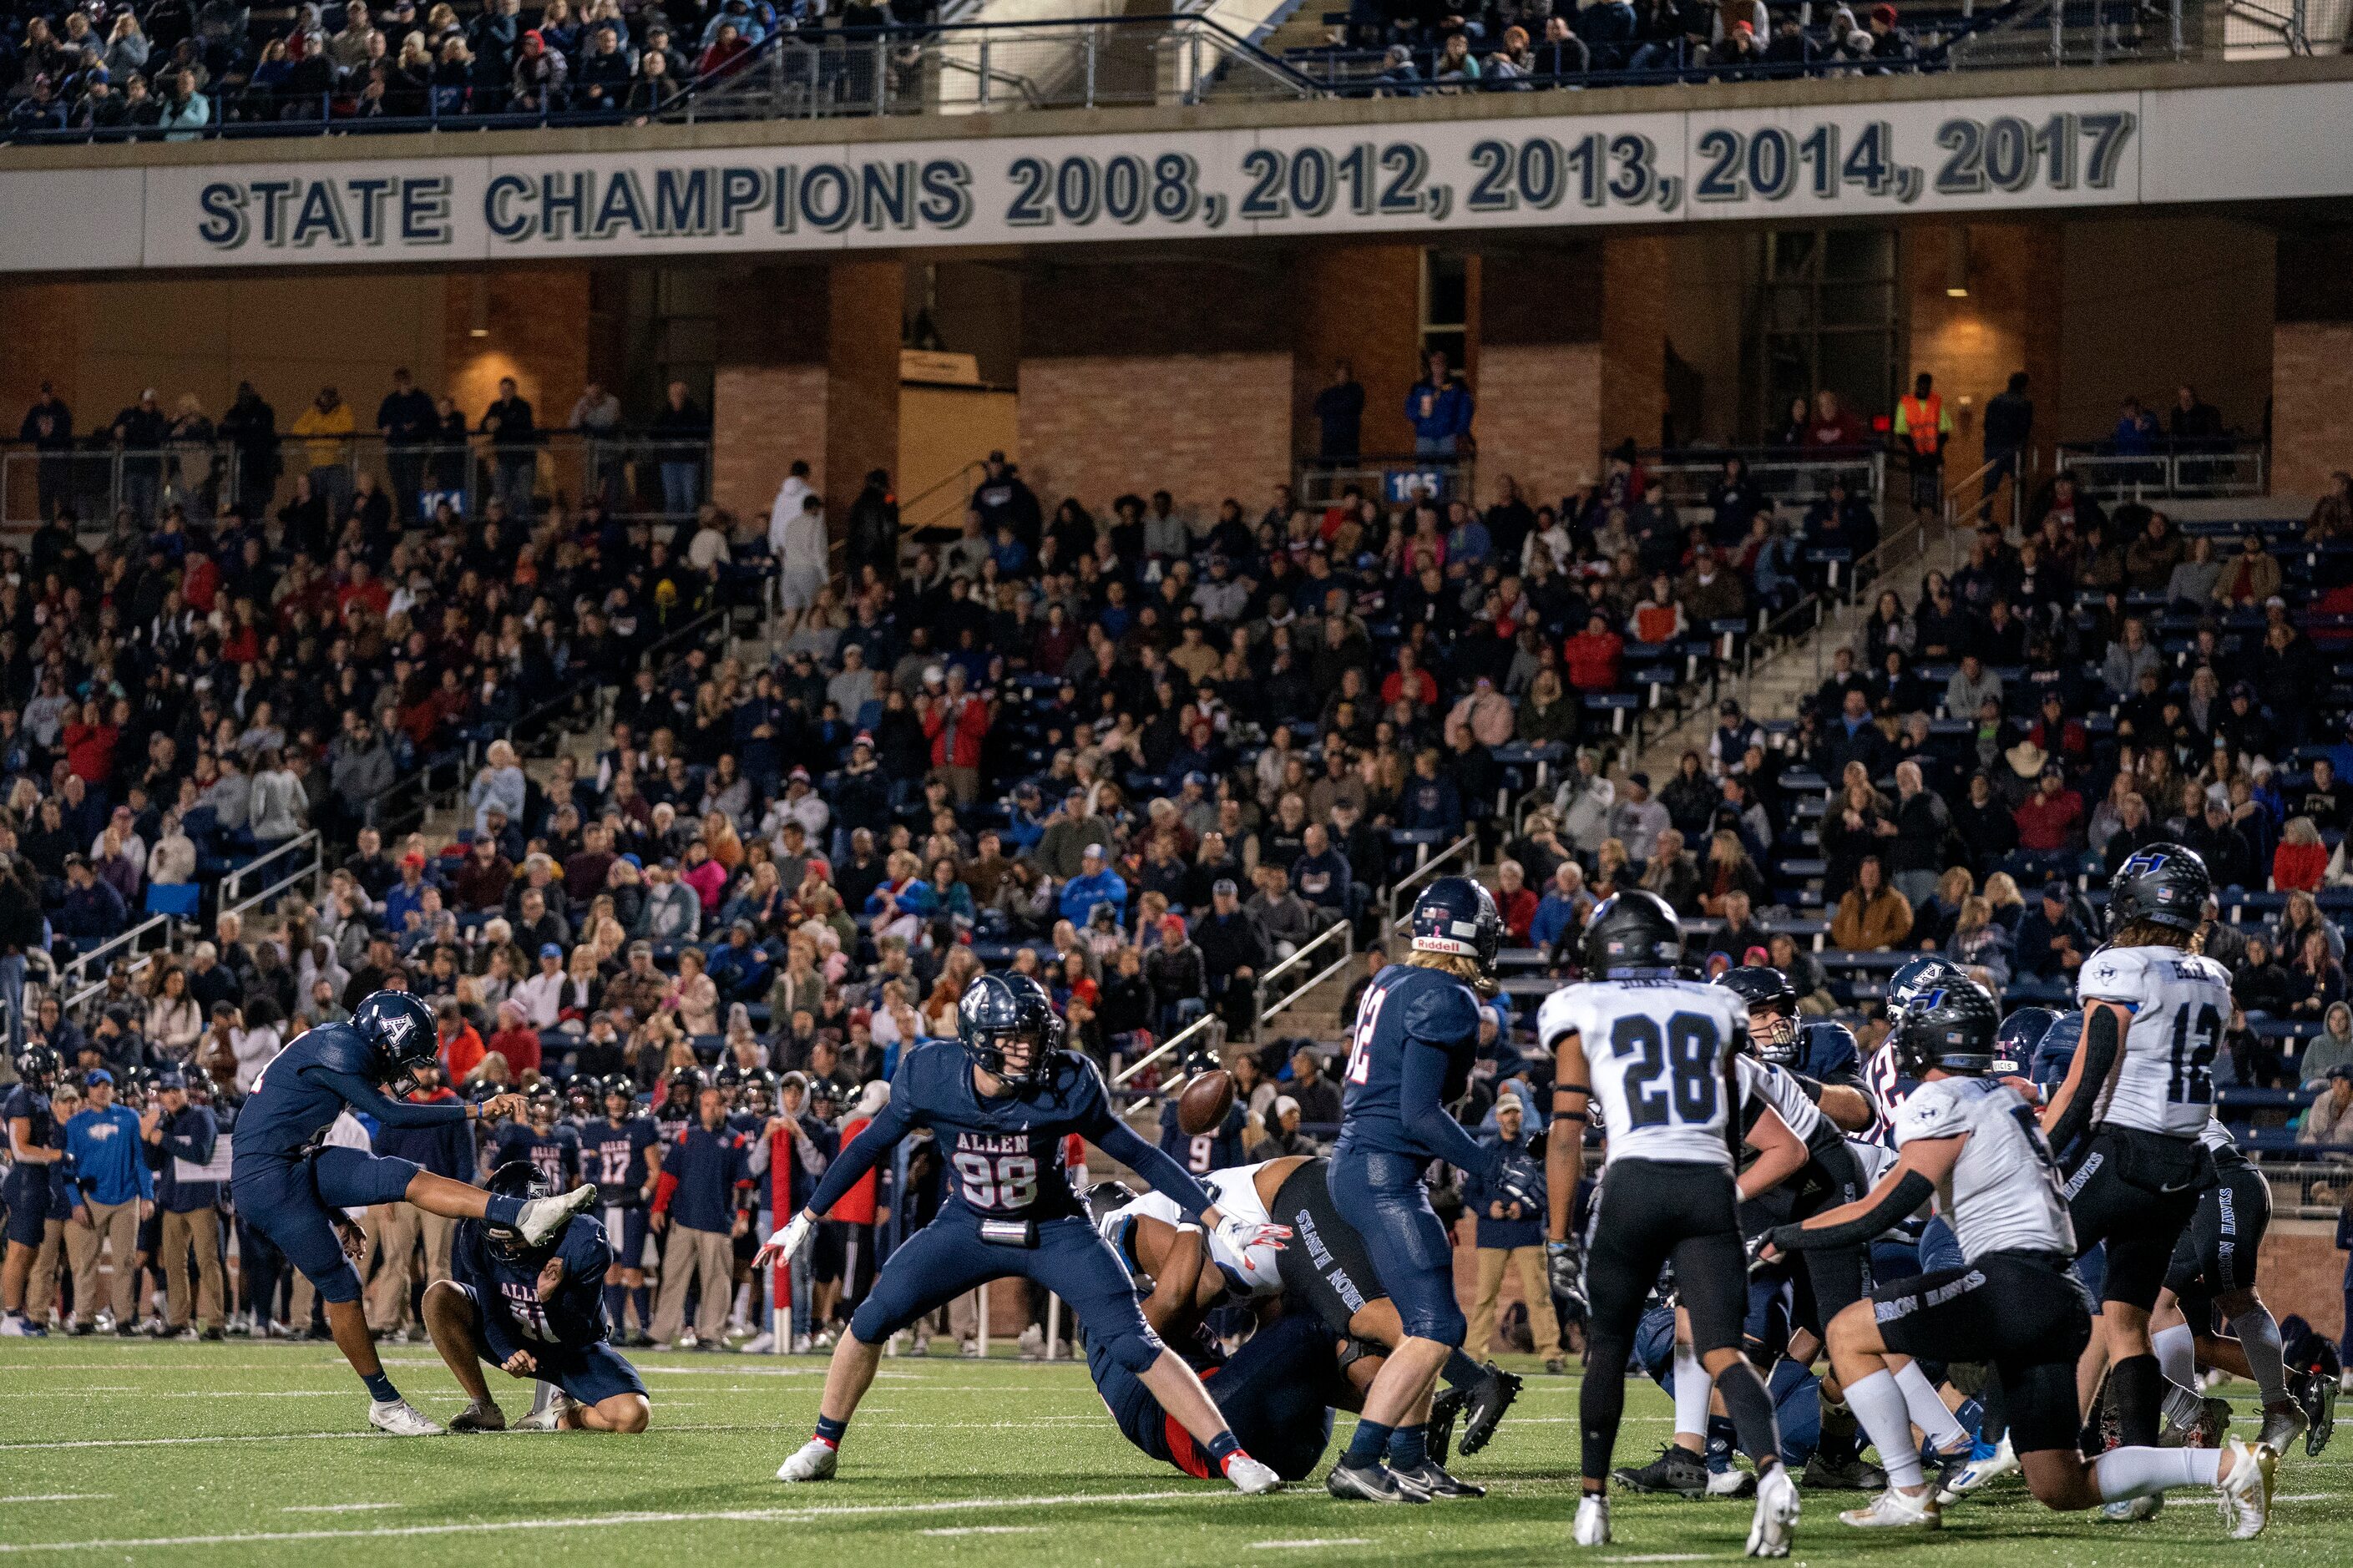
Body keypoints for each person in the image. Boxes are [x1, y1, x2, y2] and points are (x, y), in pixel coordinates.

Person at [1763, 979, 2273, 1539]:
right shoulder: (2008, 1098)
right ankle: (2231, 1466)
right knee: (2058, 1483)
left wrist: (1790, 1234)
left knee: (1848, 1331)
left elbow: (1884, 1210)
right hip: (2063, 1297)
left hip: (2010, 1284)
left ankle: (1909, 1491)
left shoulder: (1940, 1101)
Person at [759, 973, 1288, 1495]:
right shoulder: (931, 1075)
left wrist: (1218, 1220)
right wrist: (806, 1219)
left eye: (1034, 1035)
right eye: (1014, 1038)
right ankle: (824, 1444)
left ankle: (1232, 1455)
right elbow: (868, 1145)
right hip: (967, 1223)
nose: (1028, 1049)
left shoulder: (1066, 1081)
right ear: (979, 1041)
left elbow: (1140, 1154)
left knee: (1134, 1341)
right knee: (871, 1318)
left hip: (1054, 1227)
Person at [1540, 890, 1804, 1555]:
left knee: (1607, 1345)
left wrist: (1557, 1234)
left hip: (1635, 1180)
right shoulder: (1716, 1005)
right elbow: (1729, 1109)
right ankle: (1772, 1477)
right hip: (1708, 1185)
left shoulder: (1583, 1005)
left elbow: (1567, 1133)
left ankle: (1592, 1502)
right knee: (1723, 1349)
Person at [227, 989, 595, 1434]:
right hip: (266, 1178)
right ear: (390, 1037)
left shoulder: (338, 1044)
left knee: (406, 1176)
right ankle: (384, 1404)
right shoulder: (338, 1047)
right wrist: (476, 1110)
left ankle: (520, 1213)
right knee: (342, 1285)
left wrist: (339, 1216)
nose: (411, 1069)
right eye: (411, 1055)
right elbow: (393, 1115)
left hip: (295, 1160)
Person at [1323, 878, 1535, 1504]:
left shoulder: (1388, 980)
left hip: (1369, 1164)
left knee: (1427, 1323)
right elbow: (1419, 1112)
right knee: (1438, 1325)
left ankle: (1410, 1461)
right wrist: (1488, 1165)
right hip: (1384, 1171)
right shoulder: (1447, 996)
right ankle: (1361, 1460)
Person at [2042, 844, 2230, 1485]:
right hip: (2182, 1166)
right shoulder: (2212, 977)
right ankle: (2142, 1473)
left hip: (2124, 1151)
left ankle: (2000, 1439)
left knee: (2023, 1262)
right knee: (2126, 1321)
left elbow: (2085, 1078)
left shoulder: (2120, 967)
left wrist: (2035, 1152)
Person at [424, 1160, 651, 1433]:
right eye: (498, 1237)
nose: (504, 1247)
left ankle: (558, 1419)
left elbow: (578, 1333)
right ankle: (483, 1405)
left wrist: (550, 1298)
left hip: (573, 1350)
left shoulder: (583, 1240)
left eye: (513, 1237)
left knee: (633, 1415)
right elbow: (491, 1314)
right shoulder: (475, 1234)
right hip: (517, 1335)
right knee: (440, 1296)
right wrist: (508, 1351)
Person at [1466, 1095, 1562, 1373]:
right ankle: (1474, 1353)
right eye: (1506, 1113)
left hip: (1526, 1231)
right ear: (1498, 1117)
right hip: (1494, 1232)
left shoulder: (1535, 1150)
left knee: (1539, 1295)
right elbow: (1470, 1193)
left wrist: (1526, 1206)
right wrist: (1488, 1207)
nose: (1511, 1117)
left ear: (1521, 1116)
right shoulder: (1486, 1152)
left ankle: (1551, 1352)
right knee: (1485, 1296)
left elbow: (1549, 1188)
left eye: (1515, 1113)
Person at [62, 1067, 151, 1335]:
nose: (102, 1090)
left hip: (126, 1198)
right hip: (92, 1199)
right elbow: (69, 1168)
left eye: (107, 1085)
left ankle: (124, 1319)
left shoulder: (130, 1118)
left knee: (125, 1261)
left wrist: (146, 1196)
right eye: (96, 1085)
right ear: (87, 1091)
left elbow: (141, 1160)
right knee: (86, 1261)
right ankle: (84, 1318)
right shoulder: (76, 1124)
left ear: (113, 1089)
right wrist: (76, 1202)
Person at [1, 1045, 67, 1336]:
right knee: (18, 1250)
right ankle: (11, 1314)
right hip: (26, 1181)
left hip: (37, 1182)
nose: (50, 1076)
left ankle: (17, 1312)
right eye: (45, 1070)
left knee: (30, 1251)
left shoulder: (38, 1097)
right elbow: (19, 1150)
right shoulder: (21, 1099)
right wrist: (55, 1155)